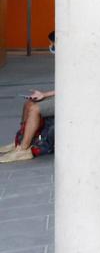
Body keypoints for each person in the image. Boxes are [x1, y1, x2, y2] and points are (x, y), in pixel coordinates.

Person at [1, 31, 57, 163]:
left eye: (52, 43)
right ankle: (20, 142)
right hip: (63, 95)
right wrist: (43, 95)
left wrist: (45, 95)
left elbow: (71, 89)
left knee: (35, 109)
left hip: (71, 99)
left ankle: (24, 149)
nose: (50, 46)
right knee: (29, 104)